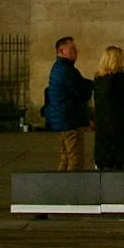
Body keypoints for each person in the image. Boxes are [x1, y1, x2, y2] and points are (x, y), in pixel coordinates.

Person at [42, 36, 94, 171]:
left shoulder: (59, 68)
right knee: (75, 157)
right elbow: (81, 92)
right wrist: (92, 85)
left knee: (65, 156)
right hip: (69, 118)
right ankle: (73, 186)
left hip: (62, 117)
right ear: (62, 51)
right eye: (72, 49)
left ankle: (62, 185)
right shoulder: (66, 70)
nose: (76, 51)